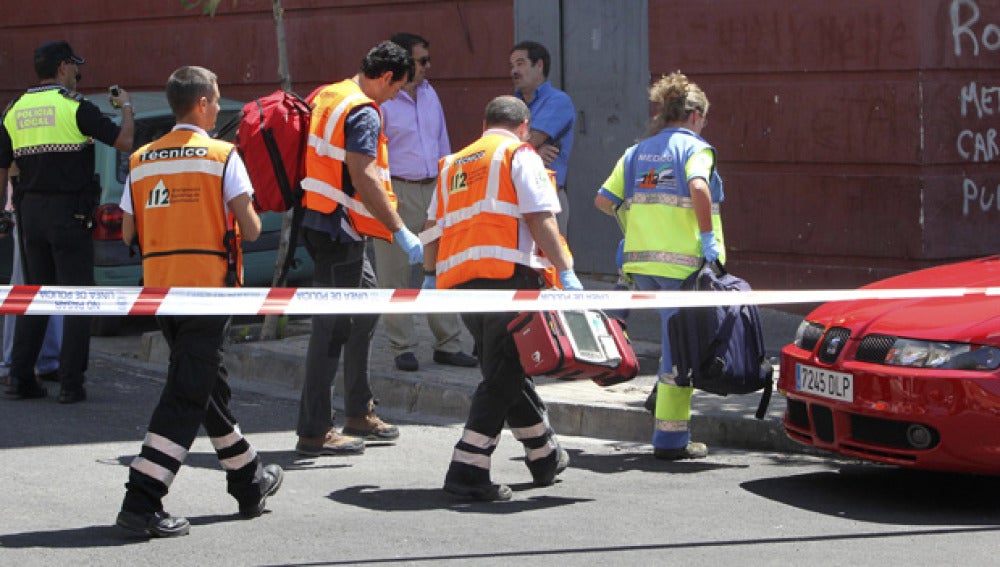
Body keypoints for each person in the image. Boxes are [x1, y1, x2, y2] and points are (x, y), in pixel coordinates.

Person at [115, 66, 283, 538]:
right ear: (205, 102)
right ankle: (141, 501)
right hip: (208, 290)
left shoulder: (142, 159)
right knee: (187, 394)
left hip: (160, 292)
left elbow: (129, 232)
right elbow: (249, 229)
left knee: (206, 385)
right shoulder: (222, 155)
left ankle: (249, 481)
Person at [423, 95, 582, 501]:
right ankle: (467, 468)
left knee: (504, 366)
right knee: (502, 374)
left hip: (460, 283)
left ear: (484, 123)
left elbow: (431, 228)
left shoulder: (453, 163)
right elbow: (539, 216)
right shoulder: (517, 153)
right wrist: (565, 270)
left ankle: (543, 453)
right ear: (524, 125)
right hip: (508, 278)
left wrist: (428, 275)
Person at [295, 40, 422, 457]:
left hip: (324, 220)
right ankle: (315, 429)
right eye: (397, 88)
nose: (395, 96)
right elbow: (363, 174)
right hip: (338, 227)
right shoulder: (362, 109)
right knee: (331, 329)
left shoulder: (330, 94)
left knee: (364, 312)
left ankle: (358, 410)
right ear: (385, 77)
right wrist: (399, 228)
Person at [594, 71, 725, 460]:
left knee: (667, 342)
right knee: (678, 351)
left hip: (640, 262)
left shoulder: (637, 152)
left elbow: (603, 200)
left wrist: (632, 227)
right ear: (695, 116)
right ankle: (671, 440)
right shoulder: (696, 148)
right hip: (683, 267)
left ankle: (659, 411)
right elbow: (699, 187)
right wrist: (708, 240)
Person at [0, 40, 134, 403]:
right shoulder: (76, 107)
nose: (79, 73)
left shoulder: (14, 109)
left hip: (29, 214)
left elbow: (3, 164)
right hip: (69, 214)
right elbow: (124, 141)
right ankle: (72, 384)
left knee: (36, 295)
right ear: (62, 67)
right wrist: (126, 108)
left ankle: (20, 377)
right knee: (78, 298)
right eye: (75, 66)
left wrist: (3, 211)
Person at [374, 32, 476, 373]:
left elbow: (443, 144)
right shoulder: (382, 102)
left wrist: (450, 190)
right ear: (403, 63)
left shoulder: (432, 95)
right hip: (397, 192)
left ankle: (448, 344)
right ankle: (402, 347)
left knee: (442, 269)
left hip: (435, 189)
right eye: (422, 61)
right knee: (395, 274)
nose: (428, 67)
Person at [1, 166, 63, 385]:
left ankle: (48, 361)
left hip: (44, 202)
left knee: (48, 286)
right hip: (28, 203)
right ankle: (13, 363)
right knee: (24, 286)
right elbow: (7, 165)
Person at [510, 40, 575, 236]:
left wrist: (526, 148)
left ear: (539, 65)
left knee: (550, 262)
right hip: (512, 197)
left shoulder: (557, 101)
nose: (514, 71)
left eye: (520, 63)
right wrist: (535, 153)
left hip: (546, 195)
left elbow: (524, 143)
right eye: (511, 66)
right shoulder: (511, 104)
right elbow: (503, 148)